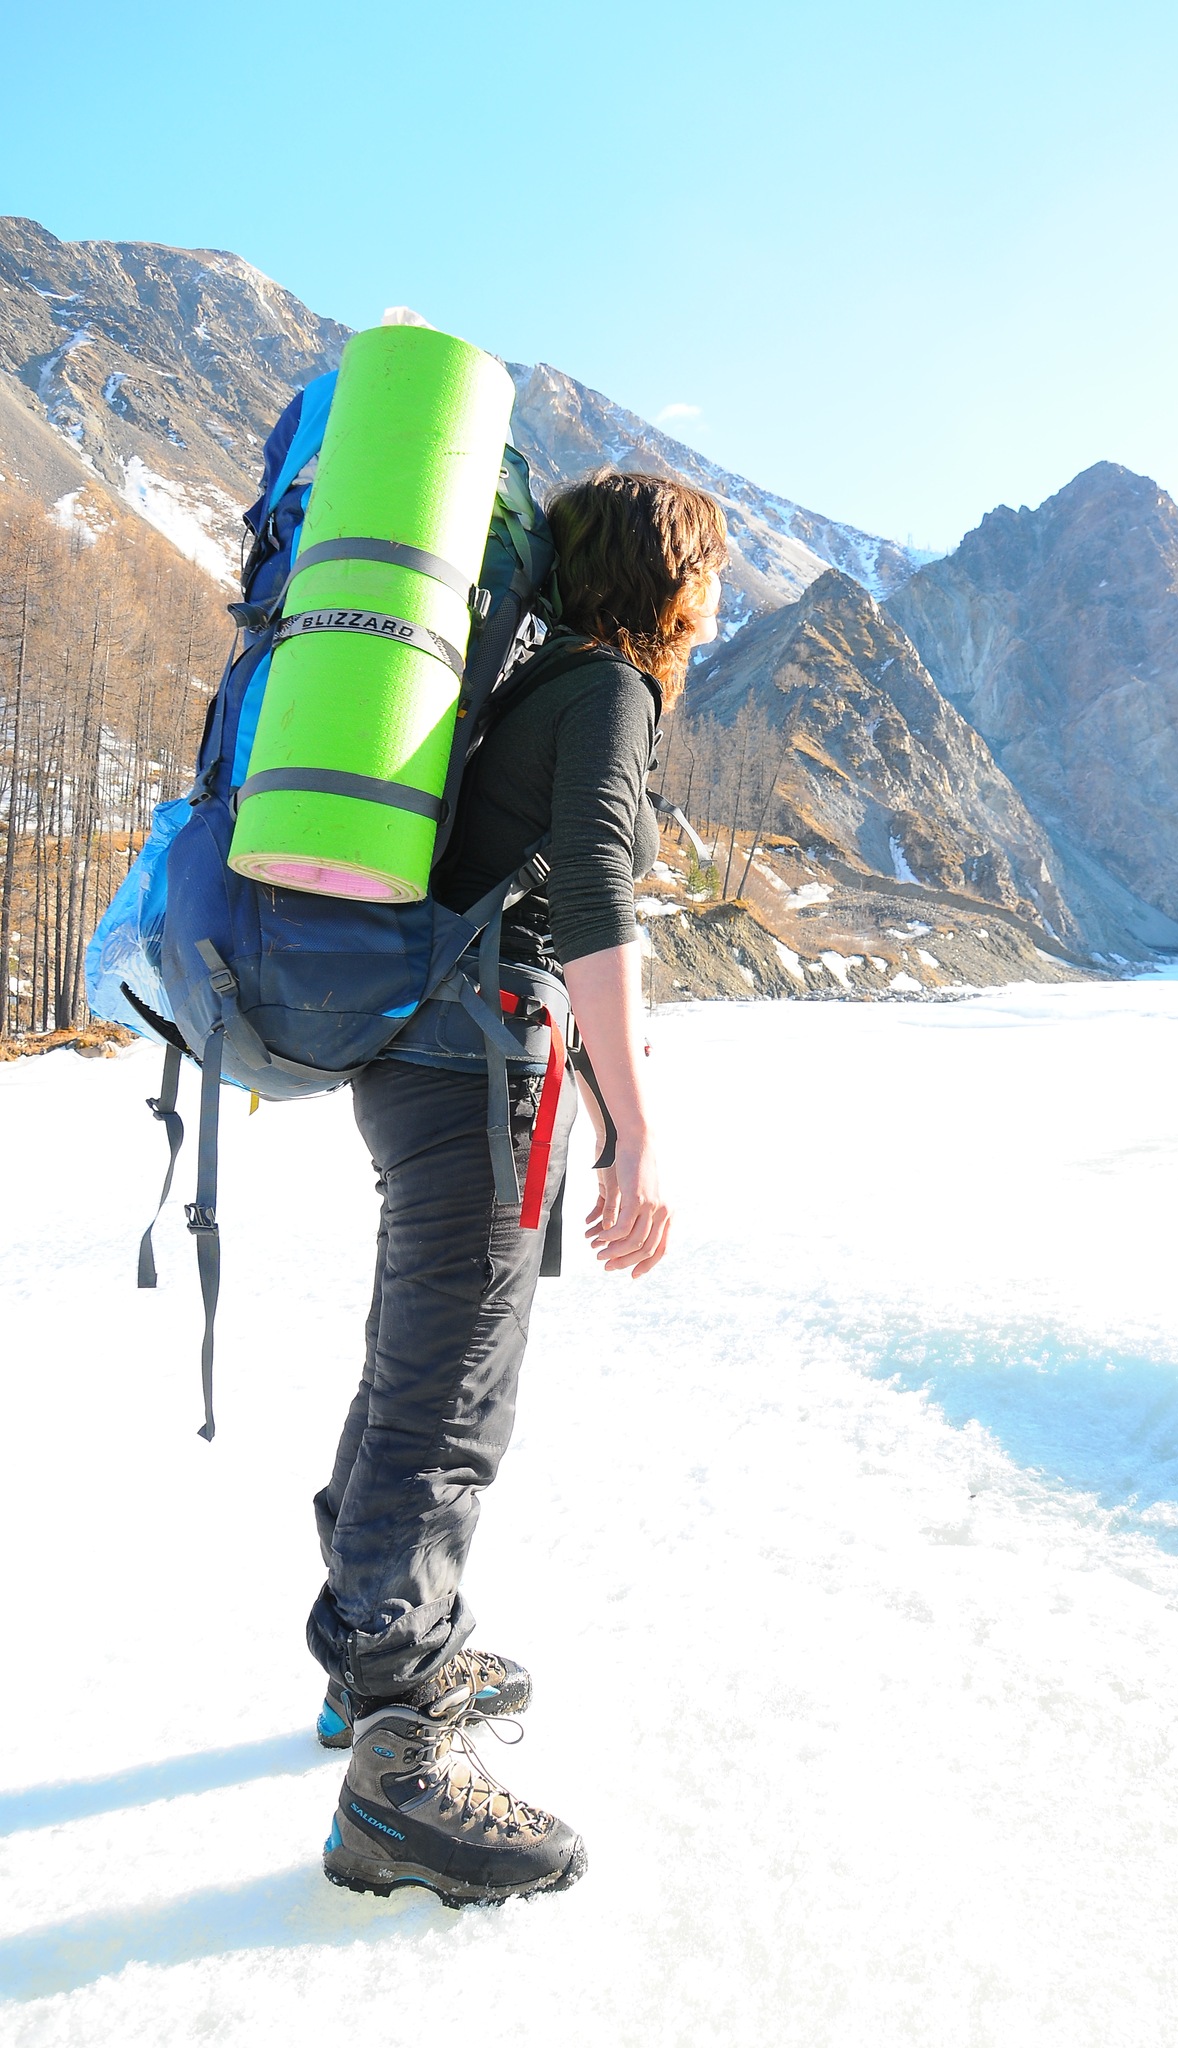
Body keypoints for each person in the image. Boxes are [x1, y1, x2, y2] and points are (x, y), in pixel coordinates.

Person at [308, 471, 728, 1906]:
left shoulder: (545, 683)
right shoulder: (606, 689)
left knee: (414, 1361)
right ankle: (398, 1762)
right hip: (471, 1069)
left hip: (439, 1056)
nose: (717, 600)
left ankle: (370, 1655)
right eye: (709, 572)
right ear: (665, 580)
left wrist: (601, 1111)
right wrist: (642, 1134)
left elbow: (546, 909)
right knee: (451, 1395)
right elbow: (597, 906)